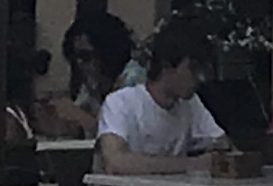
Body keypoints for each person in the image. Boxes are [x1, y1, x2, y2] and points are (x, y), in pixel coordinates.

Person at [93, 22, 236, 175]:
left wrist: (222, 153)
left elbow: (227, 148)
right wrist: (195, 164)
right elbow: (116, 162)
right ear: (166, 66)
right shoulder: (120, 103)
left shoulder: (191, 104)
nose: (201, 78)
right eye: (193, 68)